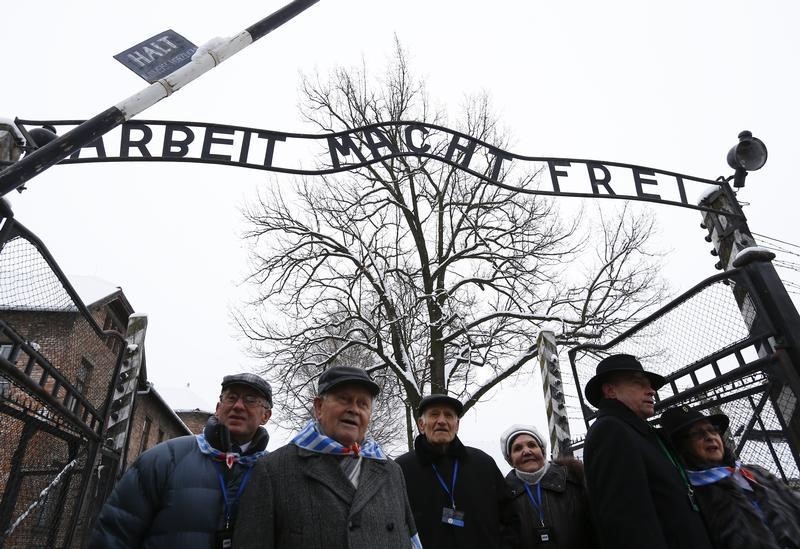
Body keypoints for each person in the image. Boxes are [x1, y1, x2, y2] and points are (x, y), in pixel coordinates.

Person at [234, 366, 421, 549]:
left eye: (362, 404)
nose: (354, 409)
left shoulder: (392, 471)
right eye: (344, 399)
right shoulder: (272, 470)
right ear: (319, 407)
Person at [89, 372, 273, 548]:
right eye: (231, 398)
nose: (238, 406)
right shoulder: (163, 459)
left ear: (266, 416)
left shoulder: (275, 474)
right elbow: (114, 534)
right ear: (218, 409)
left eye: (250, 400)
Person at [582, 354, 713, 549]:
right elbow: (626, 522)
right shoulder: (610, 431)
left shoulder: (643, 434)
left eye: (650, 385)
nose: (651, 391)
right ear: (610, 391)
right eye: (638, 383)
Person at [660, 405, 800, 549]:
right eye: (697, 434)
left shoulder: (755, 472)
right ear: (681, 446)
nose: (710, 437)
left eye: (713, 430)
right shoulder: (693, 497)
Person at [395, 394, 515, 549]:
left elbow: (510, 518)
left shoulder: (483, 464)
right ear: (421, 425)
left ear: (457, 425)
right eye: (434, 414)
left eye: (449, 415)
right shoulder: (401, 469)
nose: (442, 421)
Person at [500, 423, 597, 548]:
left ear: (543, 451)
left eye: (532, 445)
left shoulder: (575, 480)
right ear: (510, 459)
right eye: (518, 448)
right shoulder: (504, 496)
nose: (526, 451)